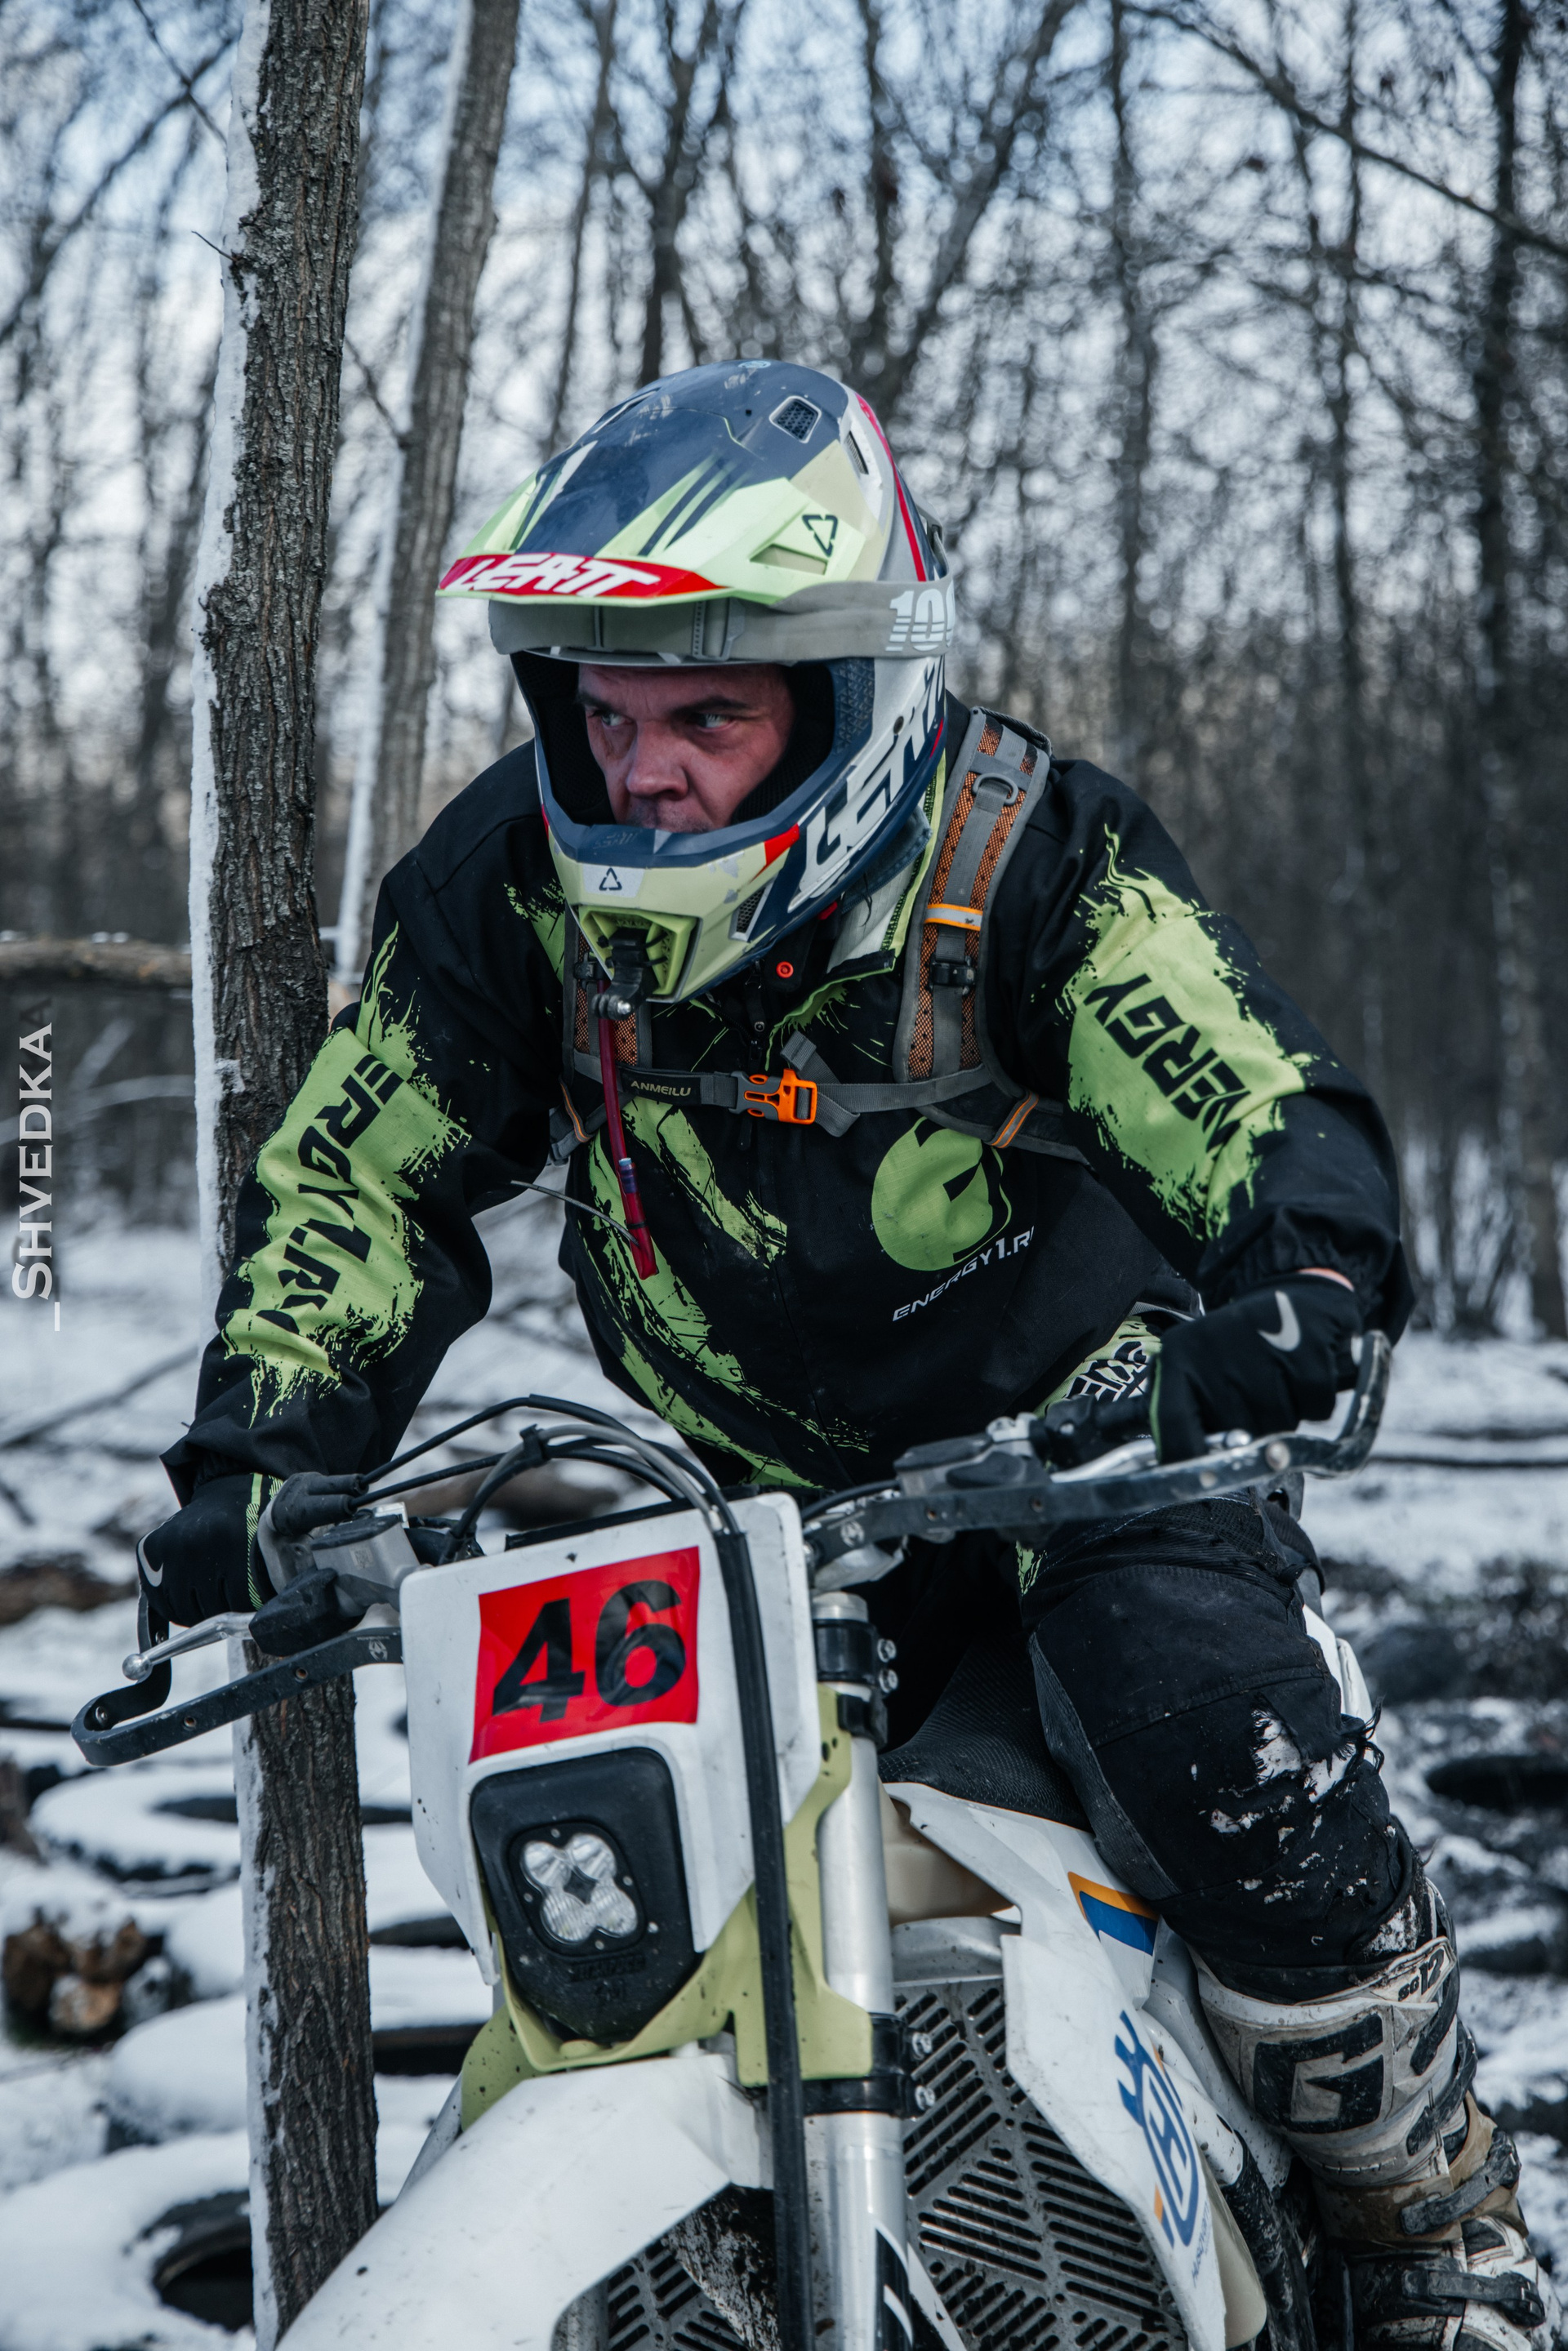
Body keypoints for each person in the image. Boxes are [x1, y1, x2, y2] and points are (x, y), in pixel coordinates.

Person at [141, 362, 1551, 2351]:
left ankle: (1435, 2222)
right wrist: (261, 1457)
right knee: (611, 1874)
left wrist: (1301, 1280)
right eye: (607, 715)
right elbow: (365, 1177)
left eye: (708, 718)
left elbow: (1238, 1081)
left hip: (1100, 1457)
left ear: (845, 698)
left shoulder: (1021, 853)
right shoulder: (513, 884)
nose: (646, 774)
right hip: (760, 1513)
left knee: (1189, 1699)